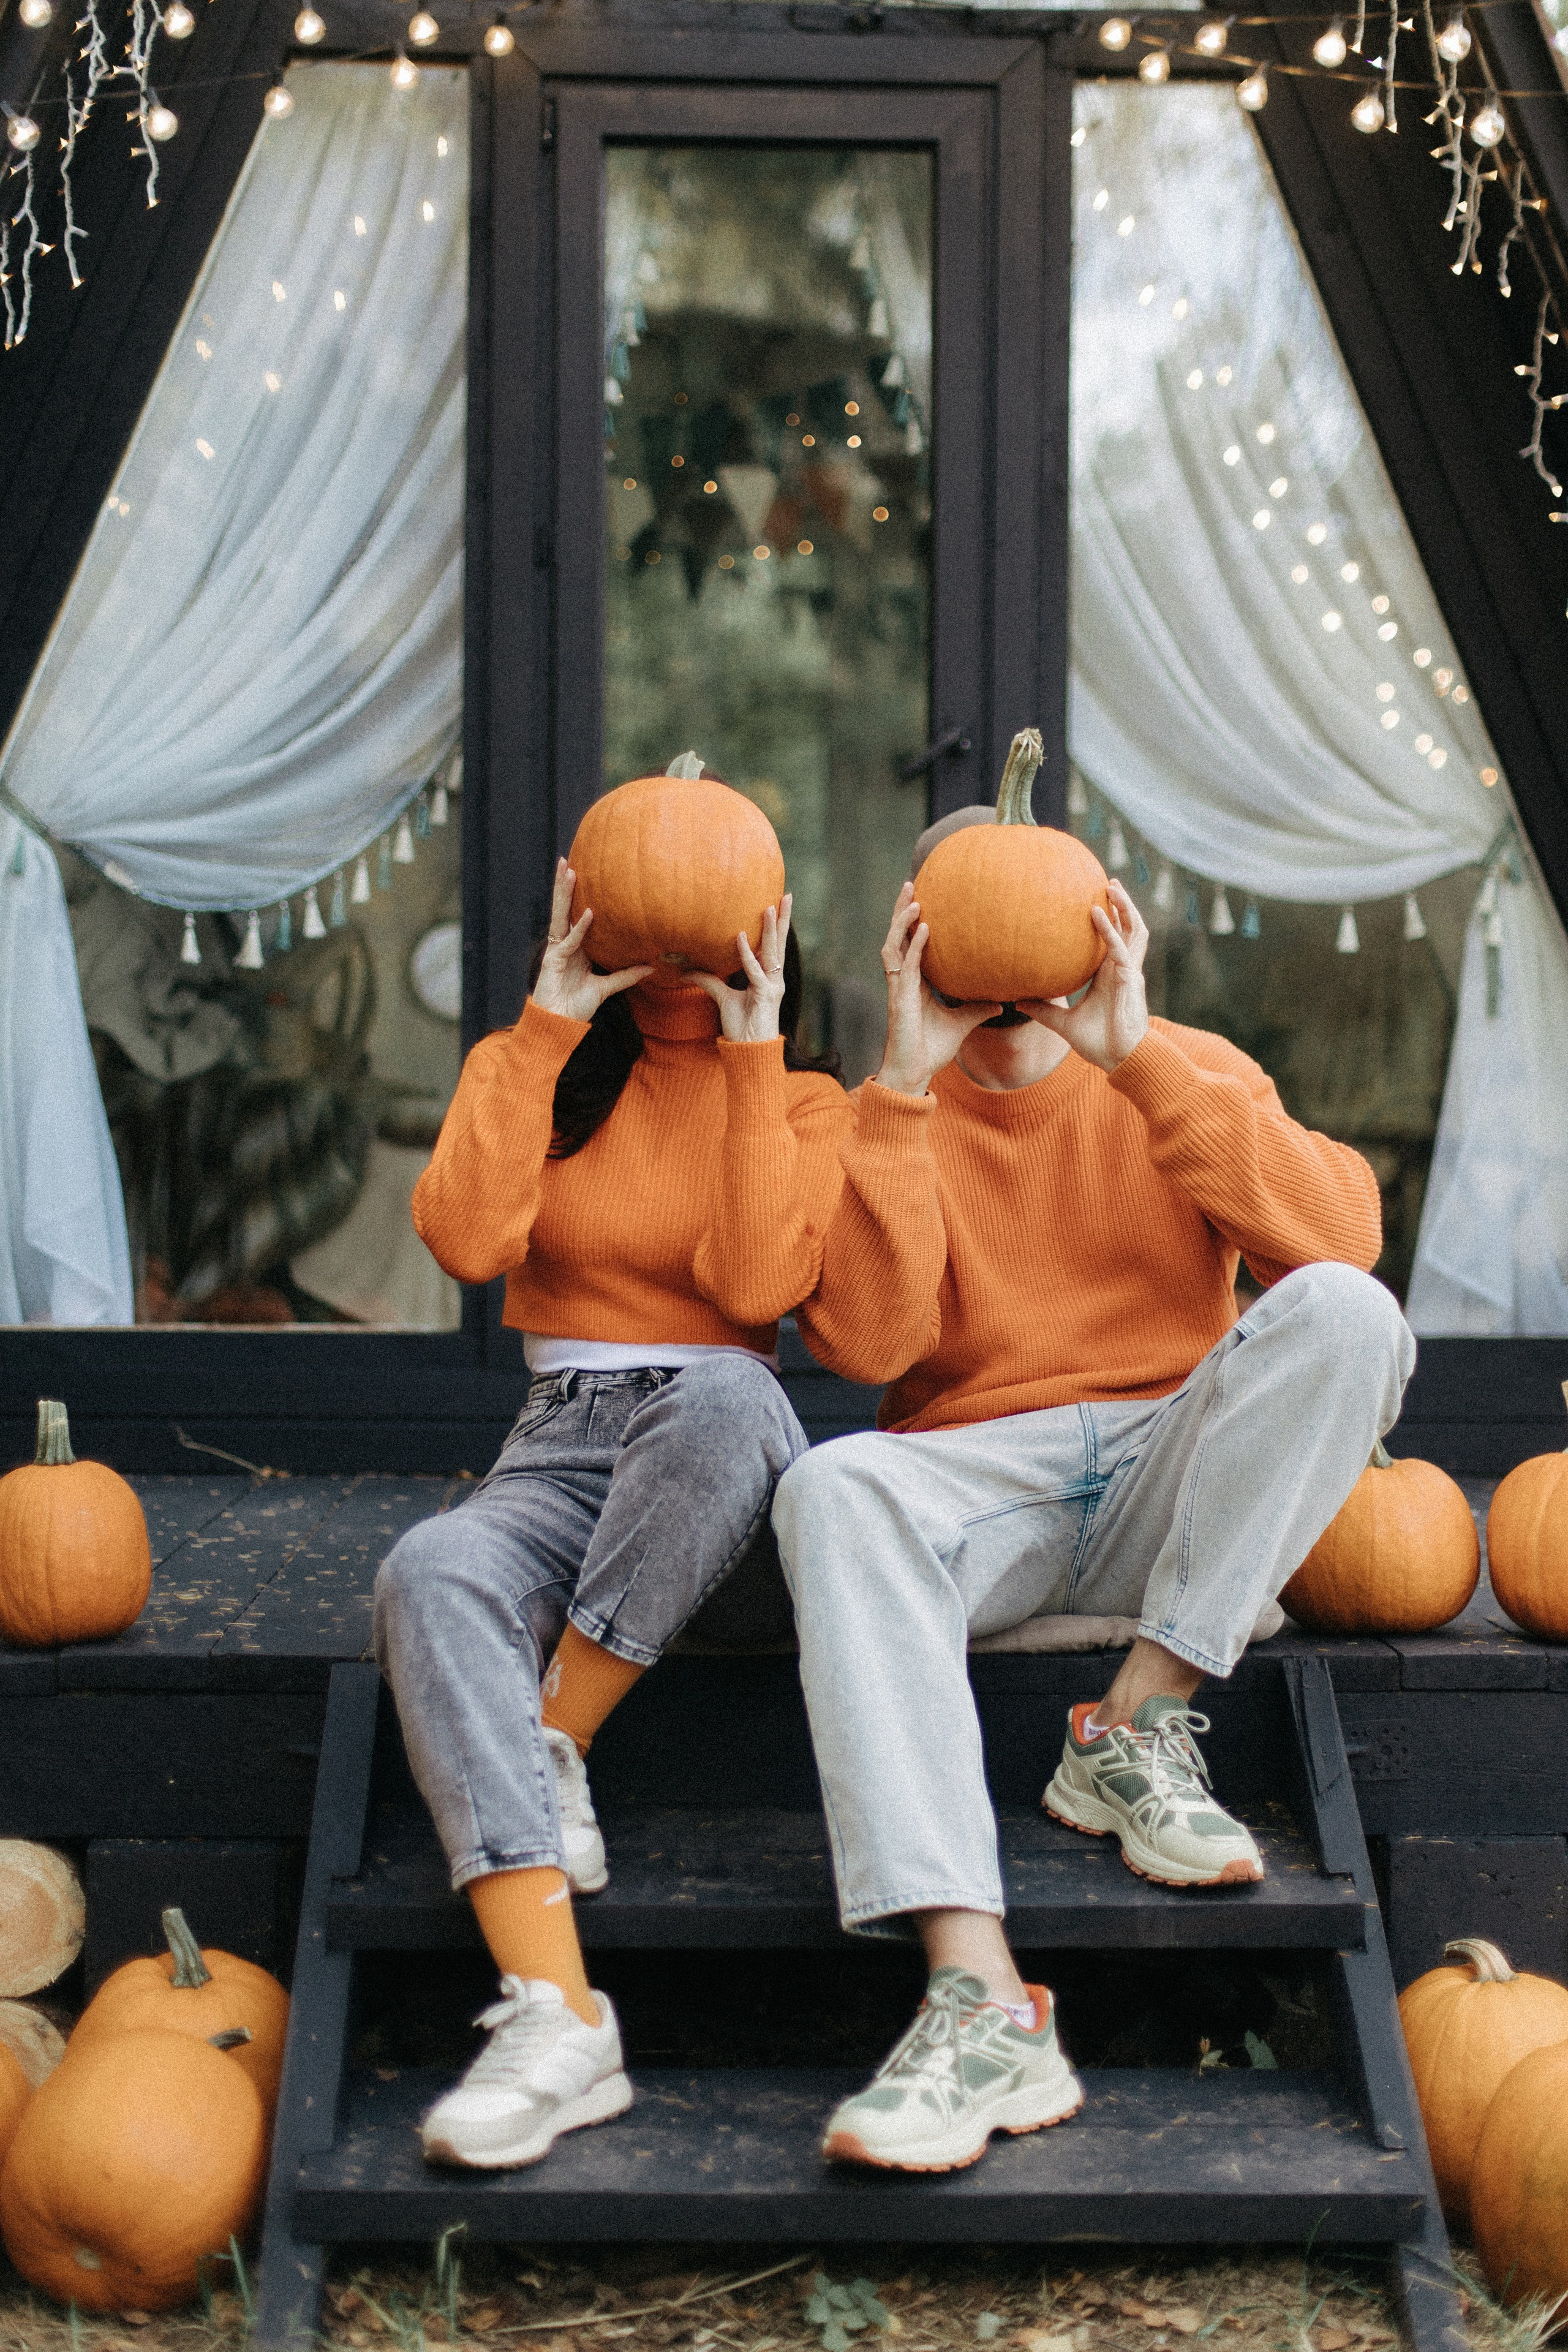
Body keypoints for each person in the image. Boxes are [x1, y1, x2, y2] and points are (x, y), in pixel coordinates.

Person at [772, 811, 1410, 2176]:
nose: (1004, 987)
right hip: (978, 1486)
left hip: (1170, 1471)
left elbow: (1343, 1245)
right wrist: (901, 1083)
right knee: (830, 1487)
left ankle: (1135, 1717)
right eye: (965, 949)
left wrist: (1130, 1052)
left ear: (1090, 933)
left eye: (1030, 946)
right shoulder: (872, 1111)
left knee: (1349, 1319)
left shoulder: (1179, 1071)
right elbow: (867, 1349)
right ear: (914, 944)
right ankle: (976, 1994)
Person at [374, 845, 847, 2172]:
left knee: (726, 1397)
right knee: (431, 1567)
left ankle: (547, 1742)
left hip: (721, 1493)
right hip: (557, 1448)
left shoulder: (807, 1103)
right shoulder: (529, 1069)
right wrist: (546, 1021)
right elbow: (466, 1242)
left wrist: (752, 1057)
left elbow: (759, 1284)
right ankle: (558, 2016)